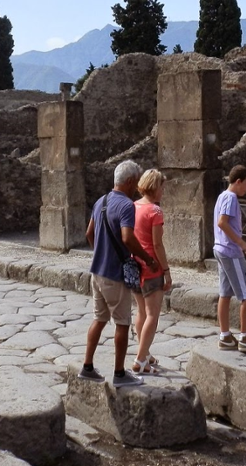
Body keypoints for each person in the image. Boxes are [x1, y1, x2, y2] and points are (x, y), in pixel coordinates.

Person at [78, 160, 158, 387]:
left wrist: (100, 252)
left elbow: (89, 233)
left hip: (97, 272)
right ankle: (120, 373)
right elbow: (127, 237)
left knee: (99, 319)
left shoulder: (100, 201)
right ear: (131, 181)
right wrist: (147, 259)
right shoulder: (126, 206)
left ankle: (88, 366)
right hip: (114, 274)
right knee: (122, 323)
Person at [214, 165, 246, 353]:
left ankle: (225, 336)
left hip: (220, 249)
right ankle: (245, 337)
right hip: (231, 251)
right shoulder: (231, 198)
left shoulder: (221, 196)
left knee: (225, 293)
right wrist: (243, 244)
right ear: (237, 182)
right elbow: (223, 222)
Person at [130, 169, 172, 375]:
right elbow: (157, 244)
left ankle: (144, 352)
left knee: (141, 312)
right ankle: (140, 359)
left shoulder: (133, 206)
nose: (163, 191)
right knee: (152, 316)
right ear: (155, 187)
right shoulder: (155, 212)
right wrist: (166, 270)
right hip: (151, 267)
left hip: (134, 266)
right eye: (162, 187)